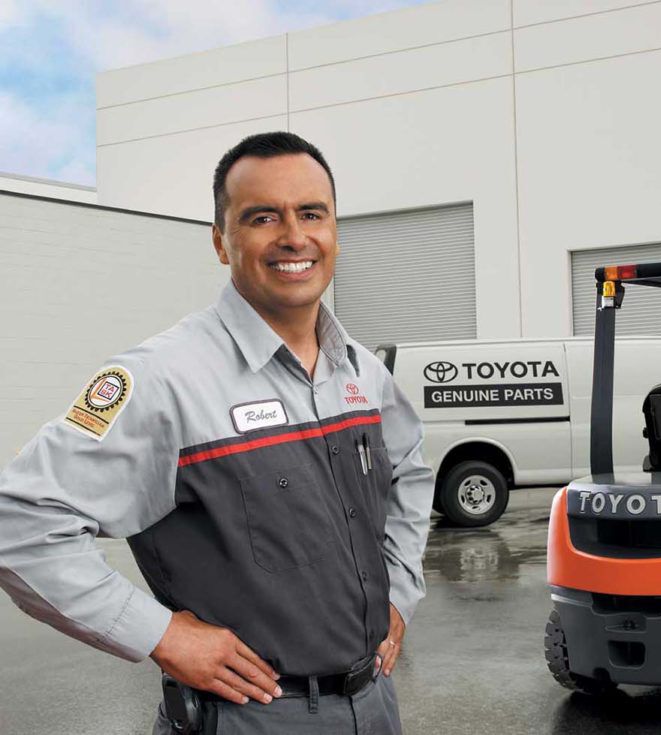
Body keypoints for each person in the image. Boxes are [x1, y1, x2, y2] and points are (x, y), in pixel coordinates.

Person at [0, 131, 434, 733]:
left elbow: (409, 472)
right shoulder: (163, 379)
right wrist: (162, 634)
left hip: (375, 703)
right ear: (221, 242)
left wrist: (400, 593)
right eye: (262, 217)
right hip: (250, 717)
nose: (293, 236)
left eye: (312, 213)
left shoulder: (359, 369)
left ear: (335, 229)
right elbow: (19, 521)